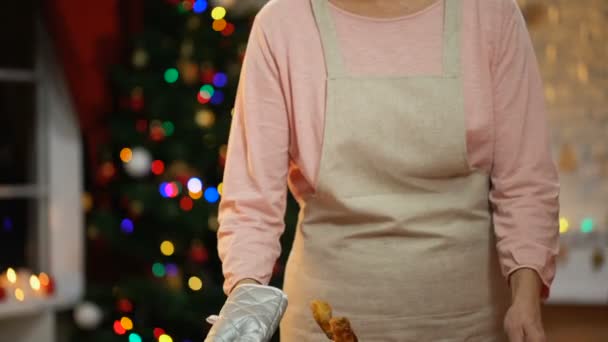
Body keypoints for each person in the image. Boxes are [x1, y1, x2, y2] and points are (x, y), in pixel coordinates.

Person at [204, 0, 560, 341]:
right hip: (323, 321)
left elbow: (525, 182)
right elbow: (252, 199)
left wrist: (525, 298)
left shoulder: (491, 13)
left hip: (469, 321)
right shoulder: (282, 25)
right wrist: (245, 301)